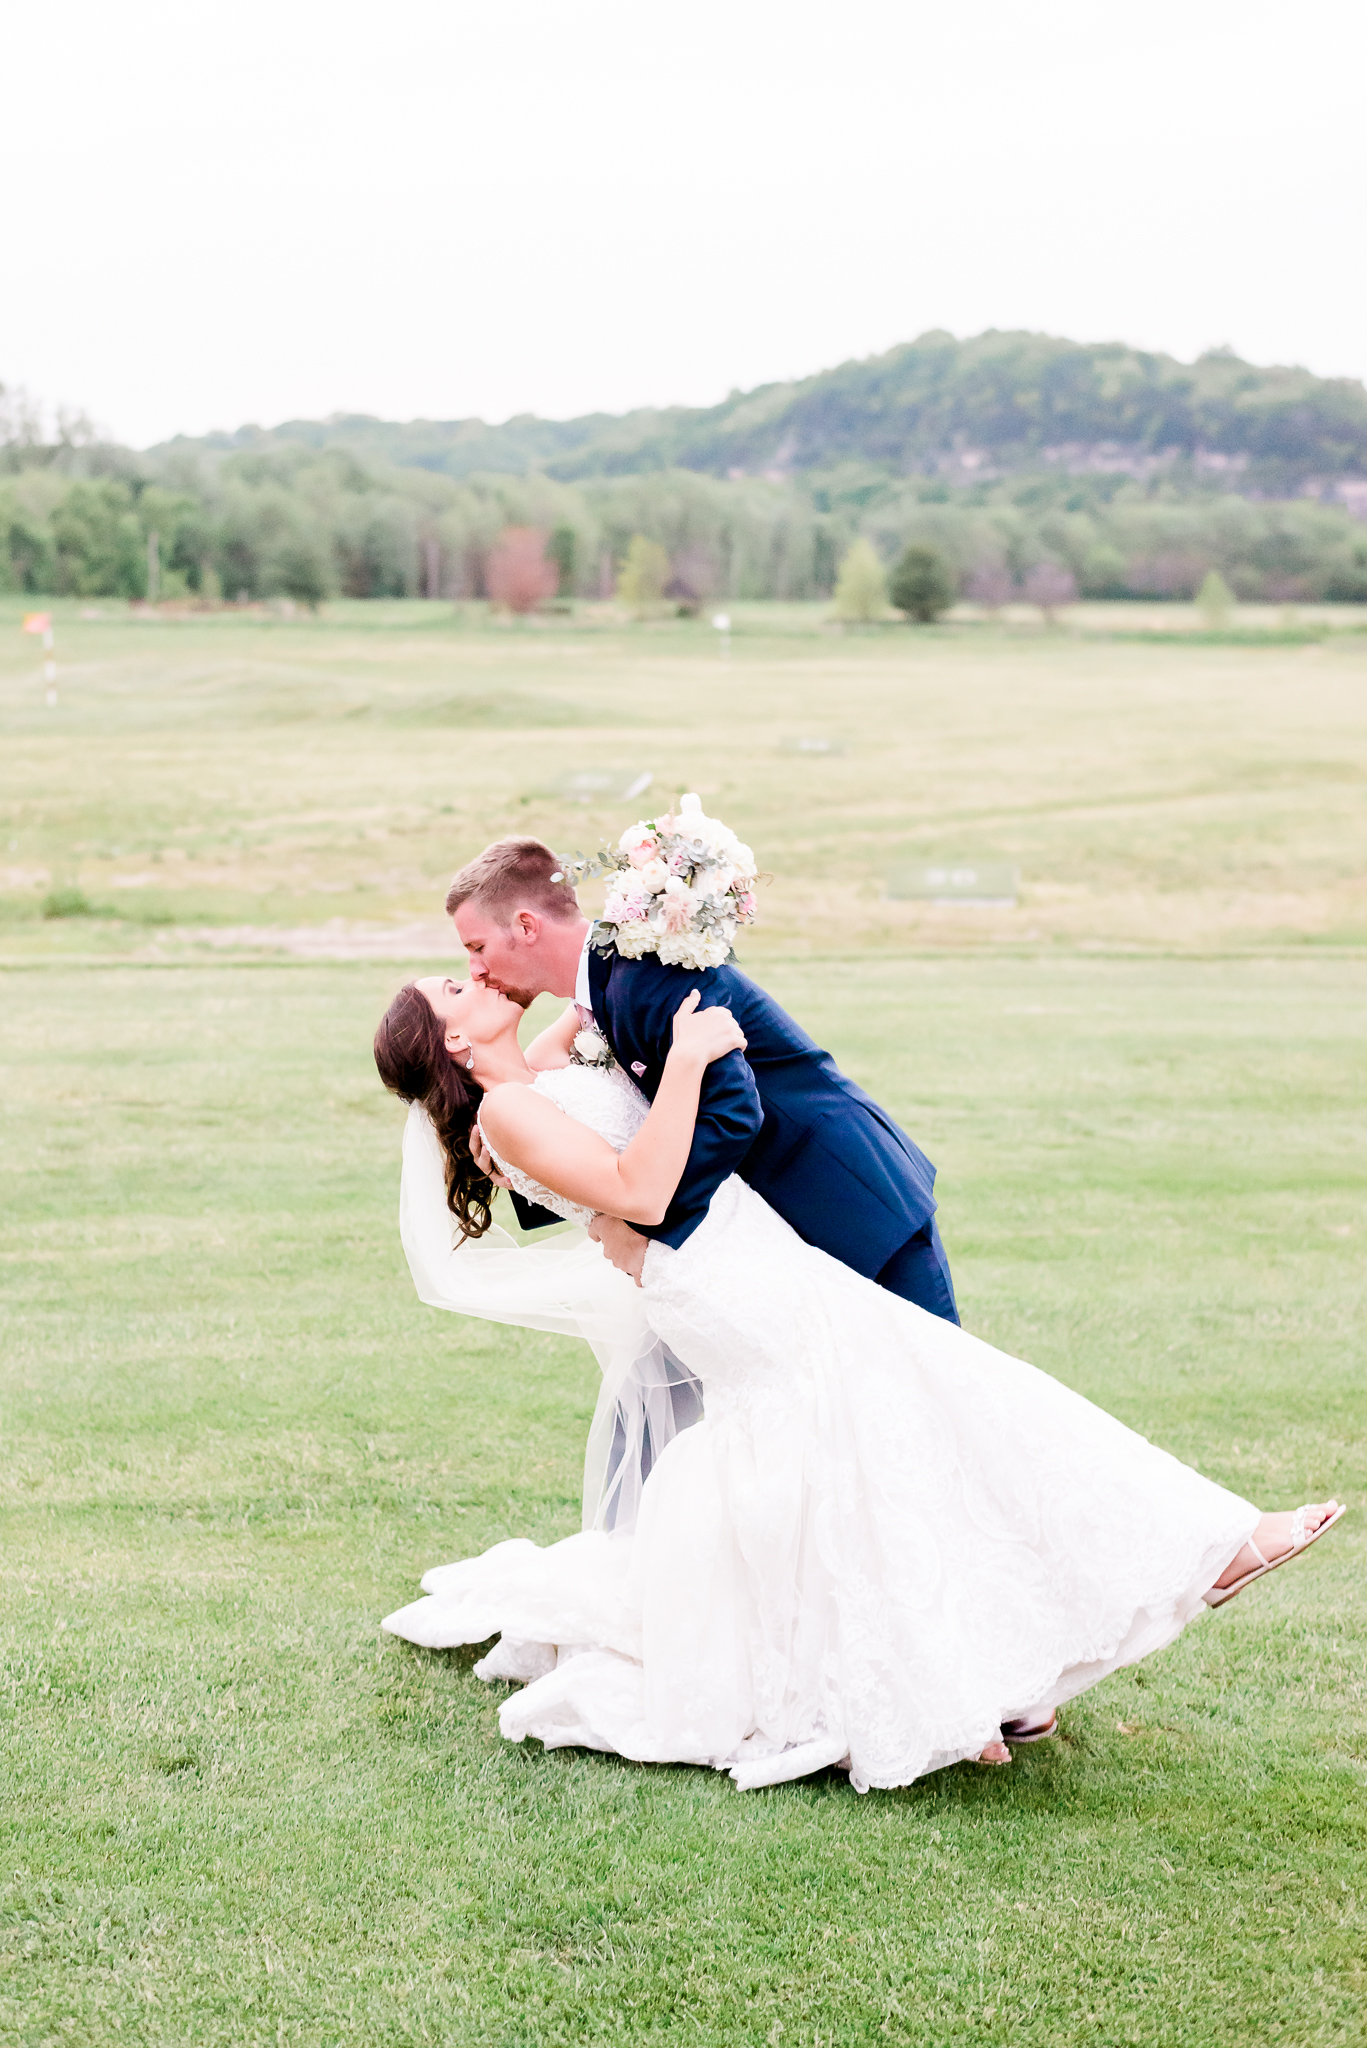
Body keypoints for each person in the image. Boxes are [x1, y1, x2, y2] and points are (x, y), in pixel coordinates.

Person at [373, 970, 1344, 1791]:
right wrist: (681, 1067)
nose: (471, 972)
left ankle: (997, 1672)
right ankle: (1204, 1547)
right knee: (927, 1407)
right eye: (453, 983)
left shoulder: (531, 1074)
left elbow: (588, 1006)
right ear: (453, 1037)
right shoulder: (505, 1110)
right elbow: (637, 1192)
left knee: (890, 1434)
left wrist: (665, 902)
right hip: (722, 1285)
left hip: (748, 1260)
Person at [447, 835, 960, 1324]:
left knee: (938, 1390)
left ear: (526, 926)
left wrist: (644, 1231)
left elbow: (734, 1112)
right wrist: (514, 1156)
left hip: (849, 1198)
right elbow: (604, 1125)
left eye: (477, 946)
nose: (474, 970)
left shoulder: (647, 975)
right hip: (782, 1229)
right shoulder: (603, 985)